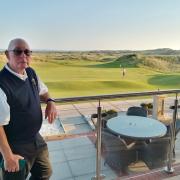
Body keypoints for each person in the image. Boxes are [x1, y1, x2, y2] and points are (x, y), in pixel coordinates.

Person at [0, 38, 57, 180]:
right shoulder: (2, 83)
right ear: (7, 54)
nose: (23, 55)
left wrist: (50, 101)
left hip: (35, 139)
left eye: (27, 52)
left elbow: (43, 91)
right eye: (18, 51)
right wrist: (8, 156)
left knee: (45, 173)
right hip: (15, 145)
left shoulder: (30, 73)